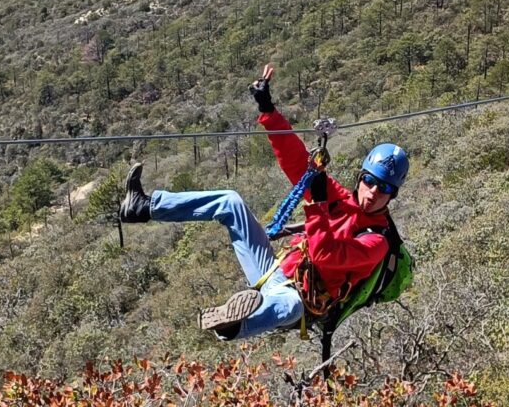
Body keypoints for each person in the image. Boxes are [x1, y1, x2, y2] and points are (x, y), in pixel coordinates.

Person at [118, 63, 409, 340]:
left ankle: (232, 326)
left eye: (383, 188)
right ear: (360, 177)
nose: (372, 192)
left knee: (288, 307)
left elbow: (325, 256)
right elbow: (296, 162)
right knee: (229, 202)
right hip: (275, 269)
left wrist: (318, 206)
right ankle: (144, 206)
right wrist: (268, 109)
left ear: (392, 195)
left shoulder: (377, 241)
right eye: (369, 181)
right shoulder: (340, 198)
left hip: (301, 299)